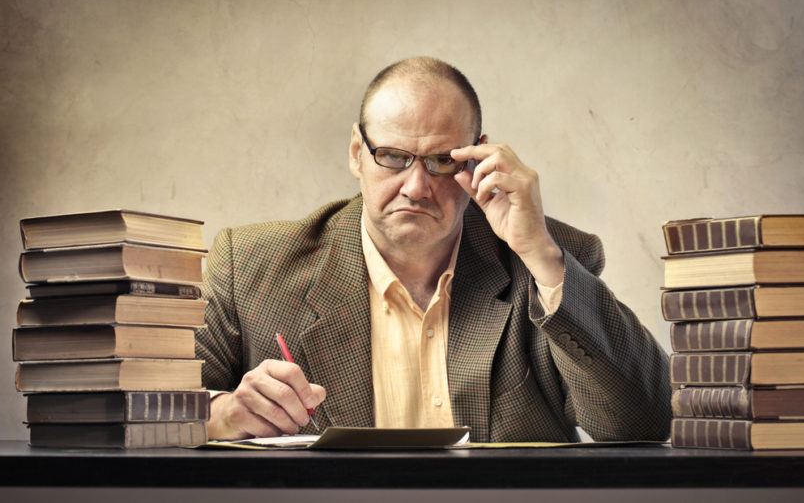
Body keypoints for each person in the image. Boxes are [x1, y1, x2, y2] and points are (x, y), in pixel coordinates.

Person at [196, 56, 672, 443]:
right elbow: (142, 413)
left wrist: (542, 257)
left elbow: (646, 422)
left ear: (480, 157)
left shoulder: (546, 259)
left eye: (443, 160)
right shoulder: (253, 265)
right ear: (357, 154)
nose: (416, 187)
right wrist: (223, 414)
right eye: (393, 157)